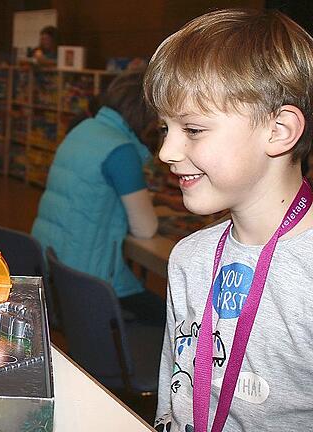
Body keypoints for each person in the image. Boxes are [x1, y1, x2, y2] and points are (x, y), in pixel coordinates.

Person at [145, 9, 313, 431]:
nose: (166, 151)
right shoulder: (190, 257)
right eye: (165, 128)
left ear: (278, 130)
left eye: (193, 129)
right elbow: (175, 391)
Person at [31, 68, 163, 325]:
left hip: (54, 269)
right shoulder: (122, 151)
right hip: (89, 280)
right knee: (165, 317)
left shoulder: (84, 130)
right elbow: (146, 228)